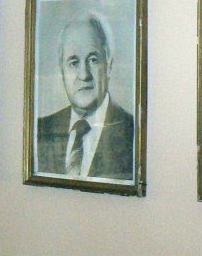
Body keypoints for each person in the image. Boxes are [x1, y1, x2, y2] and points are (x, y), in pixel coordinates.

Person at [36, 13, 134, 180]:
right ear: (62, 70)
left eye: (93, 60)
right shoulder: (41, 129)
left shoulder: (133, 132)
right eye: (73, 63)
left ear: (109, 65)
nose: (84, 75)